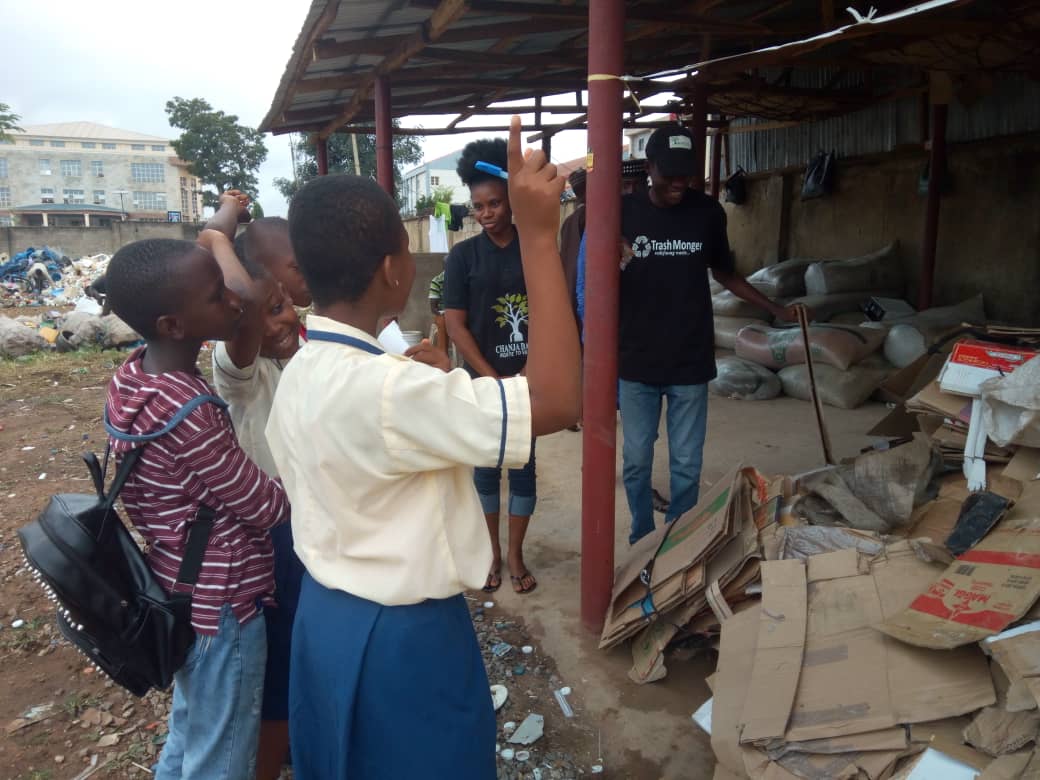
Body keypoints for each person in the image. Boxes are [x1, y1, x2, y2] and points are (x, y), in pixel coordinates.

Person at [265, 116, 580, 779]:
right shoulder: (390, 391)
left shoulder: (304, 370)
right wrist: (539, 237)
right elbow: (557, 399)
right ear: (392, 269)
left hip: (326, 617)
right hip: (400, 637)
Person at [103, 237, 291, 780]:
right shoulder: (190, 412)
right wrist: (312, 471)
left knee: (190, 730)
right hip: (224, 604)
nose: (234, 301)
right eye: (217, 296)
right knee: (222, 755)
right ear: (173, 325)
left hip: (178, 583)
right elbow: (264, 505)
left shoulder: (134, 378)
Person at [619, 125, 797, 545]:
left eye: (686, 174)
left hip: (689, 357)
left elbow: (725, 273)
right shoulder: (623, 212)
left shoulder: (708, 213)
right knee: (636, 460)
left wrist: (775, 309)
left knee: (686, 464)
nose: (679, 182)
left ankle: (677, 540)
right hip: (636, 358)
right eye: (670, 174)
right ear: (649, 168)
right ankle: (642, 536)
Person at [200, 192, 307, 780]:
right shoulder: (237, 371)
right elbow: (242, 305)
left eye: (284, 305)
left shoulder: (297, 350)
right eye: (269, 311)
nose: (281, 320)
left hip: (304, 522)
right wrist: (220, 229)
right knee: (279, 664)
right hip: (273, 537)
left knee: (299, 651)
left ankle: (292, 742)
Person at [442, 137, 538, 595]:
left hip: (528, 381)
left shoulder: (535, 250)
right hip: (482, 383)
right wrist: (491, 376)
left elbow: (551, 313)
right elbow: (455, 324)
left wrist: (531, 371)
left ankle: (515, 554)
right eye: (478, 206)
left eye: (495, 203)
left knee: (523, 467)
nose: (486, 213)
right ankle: (491, 554)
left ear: (511, 200)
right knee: (484, 471)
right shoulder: (463, 257)